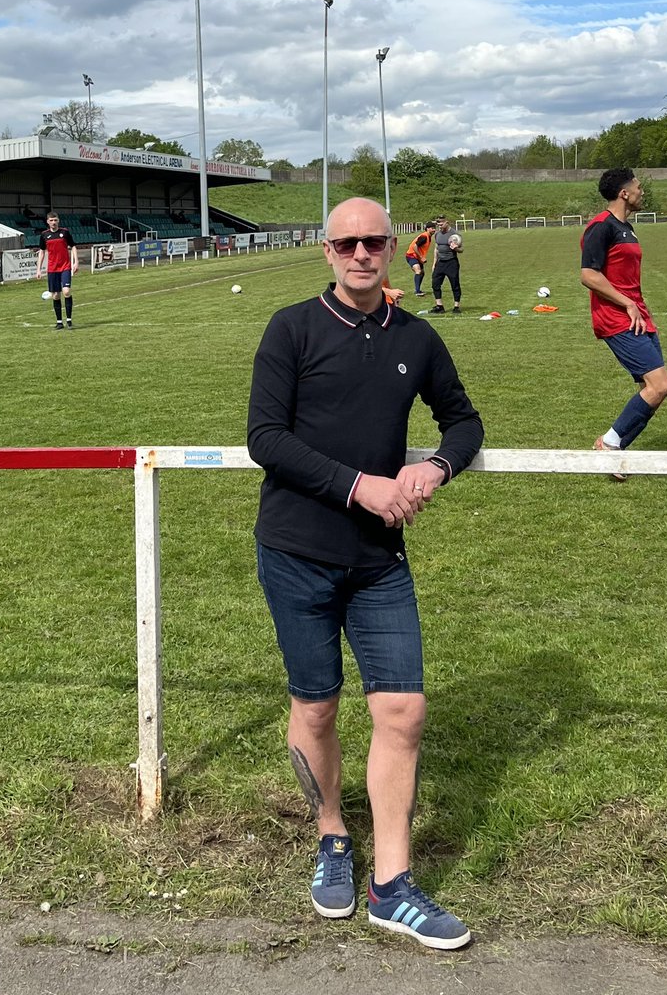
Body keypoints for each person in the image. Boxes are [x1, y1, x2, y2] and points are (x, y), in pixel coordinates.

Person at [247, 196, 483, 951]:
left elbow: (465, 420)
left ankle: (393, 885)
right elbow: (264, 438)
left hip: (380, 562)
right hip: (295, 552)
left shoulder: (417, 335)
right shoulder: (291, 327)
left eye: (373, 241)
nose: (360, 253)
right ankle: (332, 838)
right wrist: (362, 486)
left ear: (394, 249)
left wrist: (436, 469)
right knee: (316, 709)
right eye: (346, 242)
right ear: (327, 252)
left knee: (403, 714)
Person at [580, 169, 667, 476]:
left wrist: (640, 308)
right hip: (616, 317)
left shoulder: (627, 228)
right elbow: (589, 275)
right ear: (624, 193)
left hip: (638, 317)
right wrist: (627, 303)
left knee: (656, 388)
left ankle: (614, 448)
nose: (641, 192)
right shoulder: (600, 227)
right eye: (638, 187)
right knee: (659, 385)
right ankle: (609, 444)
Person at [35, 212, 78, 329]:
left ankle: (69, 320)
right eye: (51, 220)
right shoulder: (44, 235)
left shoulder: (64, 232)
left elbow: (73, 246)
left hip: (65, 266)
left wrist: (75, 262)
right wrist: (38, 269)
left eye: (55, 220)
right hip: (52, 268)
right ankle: (59, 322)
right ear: (47, 222)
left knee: (66, 292)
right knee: (55, 296)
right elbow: (42, 252)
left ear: (58, 221)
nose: (53, 222)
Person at [429, 215, 463, 315]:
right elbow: (436, 248)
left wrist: (456, 248)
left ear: (447, 222)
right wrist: (434, 263)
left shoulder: (455, 235)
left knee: (455, 284)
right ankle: (440, 306)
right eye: (438, 224)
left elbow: (461, 250)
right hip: (440, 263)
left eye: (441, 224)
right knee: (435, 284)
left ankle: (456, 306)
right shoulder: (437, 234)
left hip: (451, 262)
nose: (439, 226)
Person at [403, 221, 435, 297]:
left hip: (417, 256)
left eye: (434, 228)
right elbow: (415, 246)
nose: (434, 230)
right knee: (418, 270)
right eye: (432, 228)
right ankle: (417, 291)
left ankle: (418, 290)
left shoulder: (428, 236)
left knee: (422, 273)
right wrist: (421, 257)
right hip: (411, 255)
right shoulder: (424, 236)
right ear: (427, 229)